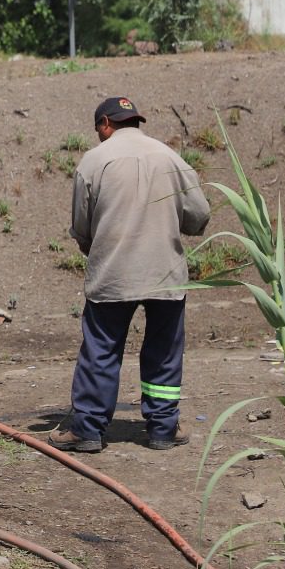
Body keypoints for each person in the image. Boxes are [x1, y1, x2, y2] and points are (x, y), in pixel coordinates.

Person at [51, 96, 211, 454]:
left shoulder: (93, 161)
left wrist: (93, 244)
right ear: (134, 121)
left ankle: (89, 430)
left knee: (101, 350)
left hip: (113, 273)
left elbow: (81, 226)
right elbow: (199, 217)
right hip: (165, 273)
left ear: (106, 123)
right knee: (163, 351)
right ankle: (162, 429)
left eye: (98, 130)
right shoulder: (170, 158)